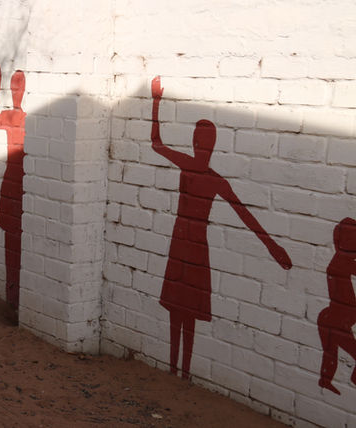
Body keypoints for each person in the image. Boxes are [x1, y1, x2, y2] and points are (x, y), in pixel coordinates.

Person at [150, 76, 292, 378]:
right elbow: (246, 216)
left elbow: (157, 143)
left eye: (203, 141)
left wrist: (156, 102)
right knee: (182, 308)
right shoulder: (209, 176)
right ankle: (179, 370)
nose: (201, 145)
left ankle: (180, 370)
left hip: (189, 244)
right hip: (189, 244)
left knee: (183, 309)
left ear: (203, 144)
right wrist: (156, 101)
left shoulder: (203, 173)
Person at [0, 64, 26, 312]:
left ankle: (17, 297)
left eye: (18, 86)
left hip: (20, 179)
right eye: (13, 86)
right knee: (10, 242)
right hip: (12, 179)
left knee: (18, 242)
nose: (16, 91)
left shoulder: (26, 118)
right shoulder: (12, 116)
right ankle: (12, 297)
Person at [318, 217, 356, 395]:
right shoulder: (342, 262)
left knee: (330, 352)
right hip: (335, 320)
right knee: (331, 352)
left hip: (332, 318)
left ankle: (325, 381)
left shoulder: (341, 260)